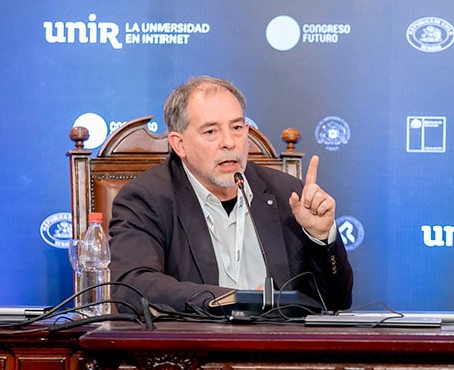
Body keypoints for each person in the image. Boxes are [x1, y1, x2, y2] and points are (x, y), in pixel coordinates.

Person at [108, 76, 353, 314]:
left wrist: (321, 238)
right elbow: (132, 286)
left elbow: (336, 302)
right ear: (179, 144)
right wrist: (230, 300)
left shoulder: (287, 194)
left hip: (279, 347)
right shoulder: (146, 198)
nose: (229, 142)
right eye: (211, 132)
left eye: (236, 128)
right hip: (195, 348)